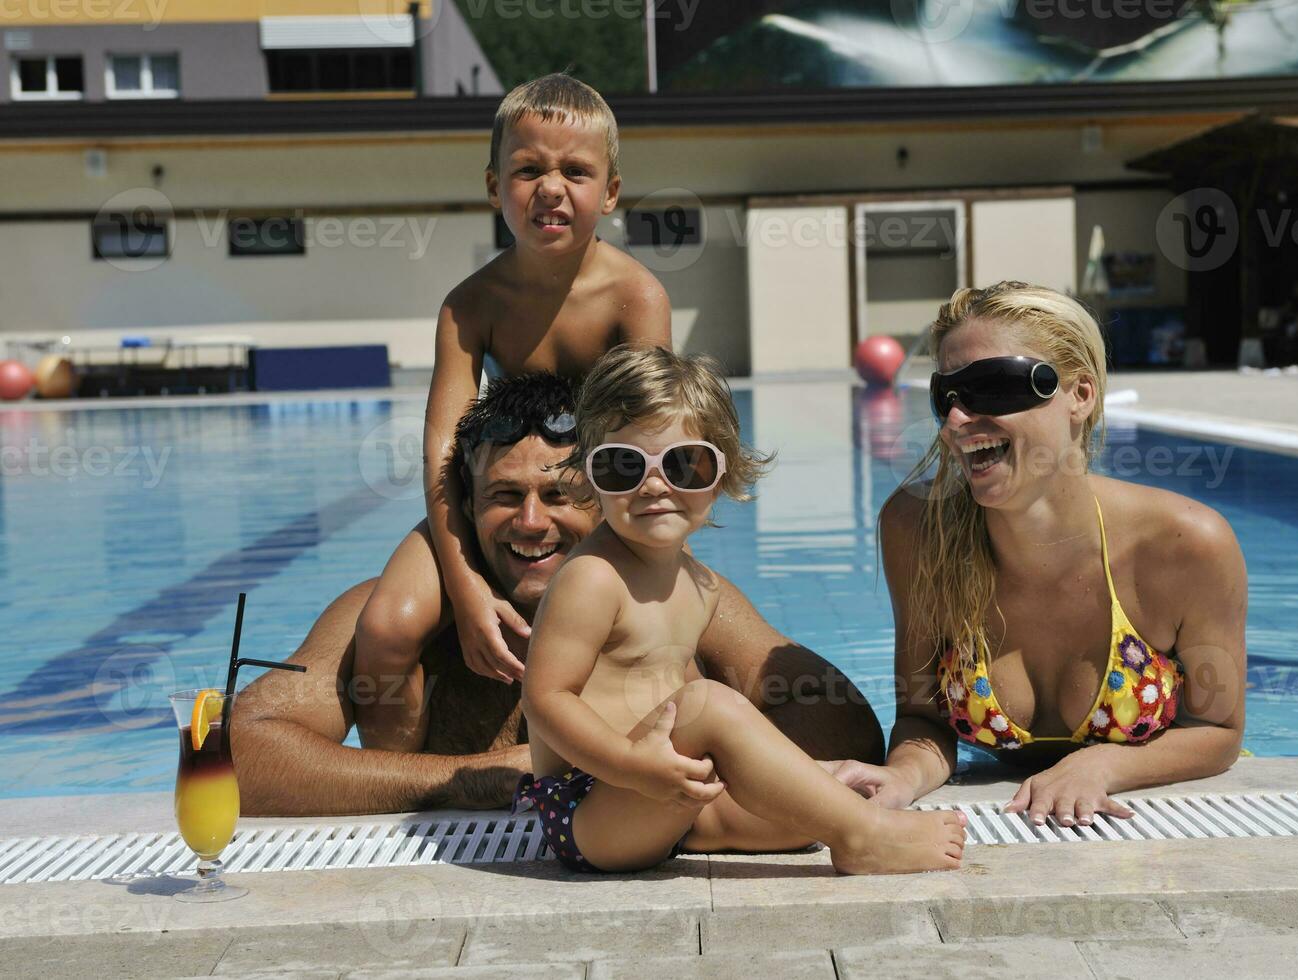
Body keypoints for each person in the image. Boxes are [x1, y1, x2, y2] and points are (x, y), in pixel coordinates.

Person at [232, 373, 882, 816]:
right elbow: (239, 751)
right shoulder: (397, 612)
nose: (532, 523)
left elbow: (843, 723)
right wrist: (467, 779)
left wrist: (687, 779)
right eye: (505, 497)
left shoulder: (674, 594)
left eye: (558, 496)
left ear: (602, 497)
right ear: (465, 505)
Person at [517, 345, 966, 874]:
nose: (655, 485)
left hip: (666, 796)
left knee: (808, 808)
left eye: (684, 464)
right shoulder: (592, 578)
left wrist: (799, 774)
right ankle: (862, 838)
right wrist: (633, 766)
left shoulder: (698, 584)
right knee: (707, 703)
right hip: (592, 805)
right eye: (623, 466)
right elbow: (545, 698)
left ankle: (847, 815)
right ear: (590, 478)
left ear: (721, 474)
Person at [828, 282, 1247, 827]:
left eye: (992, 386)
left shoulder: (1185, 544)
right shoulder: (917, 527)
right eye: (946, 395)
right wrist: (904, 775)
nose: (957, 421)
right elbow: (922, 715)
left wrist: (1102, 765)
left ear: (1080, 394)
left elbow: (1218, 731)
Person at [353, 73, 672, 751]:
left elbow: (654, 449)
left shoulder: (635, 299)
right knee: (384, 629)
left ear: (610, 192)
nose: (550, 187)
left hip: (603, 506)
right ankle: (393, 792)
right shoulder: (470, 305)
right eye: (527, 169)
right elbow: (444, 454)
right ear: (496, 187)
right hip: (497, 503)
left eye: (576, 171)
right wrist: (467, 589)